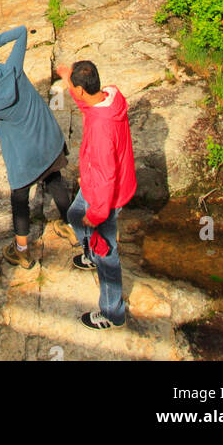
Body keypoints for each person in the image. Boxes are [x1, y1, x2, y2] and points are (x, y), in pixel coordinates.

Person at [0, 25, 71, 270]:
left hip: (24, 161)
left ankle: (22, 251)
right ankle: (73, 227)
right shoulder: (12, 68)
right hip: (48, 142)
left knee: (19, 201)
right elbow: (22, 32)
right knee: (55, 180)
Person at [57, 59, 137, 331]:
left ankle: (113, 313)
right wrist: (69, 78)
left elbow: (105, 176)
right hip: (101, 185)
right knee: (73, 215)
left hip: (104, 196)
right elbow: (84, 105)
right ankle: (91, 252)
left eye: (74, 87)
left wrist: (97, 214)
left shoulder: (102, 128)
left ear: (82, 89)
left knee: (107, 256)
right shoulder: (109, 98)